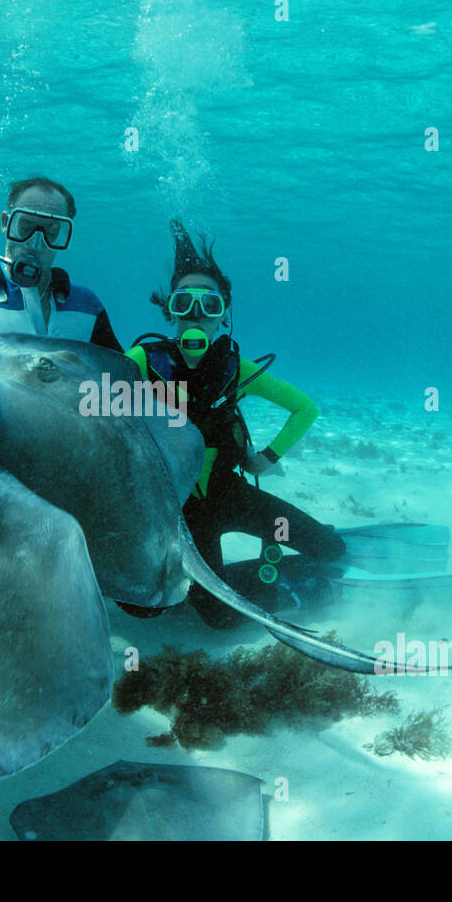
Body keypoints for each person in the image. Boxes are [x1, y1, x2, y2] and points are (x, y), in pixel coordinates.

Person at [125, 220, 346, 628]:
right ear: (169, 310)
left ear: (223, 314)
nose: (196, 317)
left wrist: (267, 457)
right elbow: (91, 404)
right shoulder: (143, 361)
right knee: (213, 616)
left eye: (208, 306)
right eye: (183, 303)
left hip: (231, 494)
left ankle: (283, 554)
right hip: (177, 510)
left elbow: (305, 408)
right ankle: (273, 585)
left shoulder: (236, 369)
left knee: (330, 548)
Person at [0, 176, 121, 404]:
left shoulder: (88, 306)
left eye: (52, 231)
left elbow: (120, 382)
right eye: (25, 226)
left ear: (64, 235)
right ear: (5, 223)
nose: (36, 243)